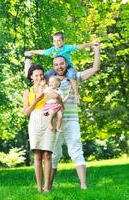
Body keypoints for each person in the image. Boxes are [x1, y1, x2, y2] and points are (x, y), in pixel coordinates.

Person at [24, 41, 100, 190]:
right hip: (52, 121)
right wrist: (28, 57)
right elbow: (31, 76)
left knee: (76, 150)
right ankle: (48, 187)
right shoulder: (49, 82)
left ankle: (83, 185)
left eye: (61, 64)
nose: (59, 66)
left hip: (71, 120)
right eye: (56, 64)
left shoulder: (75, 77)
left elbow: (95, 69)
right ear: (53, 67)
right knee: (53, 154)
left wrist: (96, 50)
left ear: (66, 64)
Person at [25, 31, 92, 104]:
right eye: (54, 41)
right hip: (56, 69)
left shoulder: (67, 47)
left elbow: (78, 47)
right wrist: (32, 51)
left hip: (68, 67)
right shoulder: (53, 50)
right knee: (45, 76)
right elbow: (43, 52)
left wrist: (90, 44)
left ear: (63, 41)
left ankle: (76, 95)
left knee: (72, 76)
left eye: (59, 41)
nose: (56, 43)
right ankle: (48, 93)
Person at [23, 64, 56, 192]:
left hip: (48, 118)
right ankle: (39, 188)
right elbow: (26, 112)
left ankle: (47, 187)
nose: (39, 77)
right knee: (37, 155)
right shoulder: (28, 91)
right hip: (35, 120)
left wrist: (45, 92)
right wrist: (37, 99)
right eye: (36, 75)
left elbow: (55, 103)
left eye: (41, 75)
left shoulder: (49, 88)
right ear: (31, 77)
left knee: (47, 154)